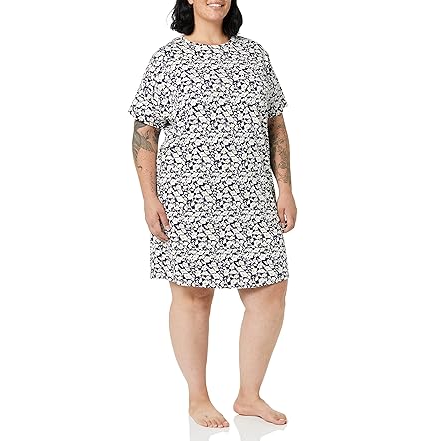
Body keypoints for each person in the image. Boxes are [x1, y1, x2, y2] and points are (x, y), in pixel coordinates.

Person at [128, 0, 297, 429]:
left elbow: (276, 126)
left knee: (270, 291)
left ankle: (249, 395)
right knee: (193, 294)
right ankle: (198, 397)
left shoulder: (254, 54)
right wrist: (149, 198)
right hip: (187, 198)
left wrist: (286, 188)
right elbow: (145, 132)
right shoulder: (167, 59)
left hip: (251, 195)